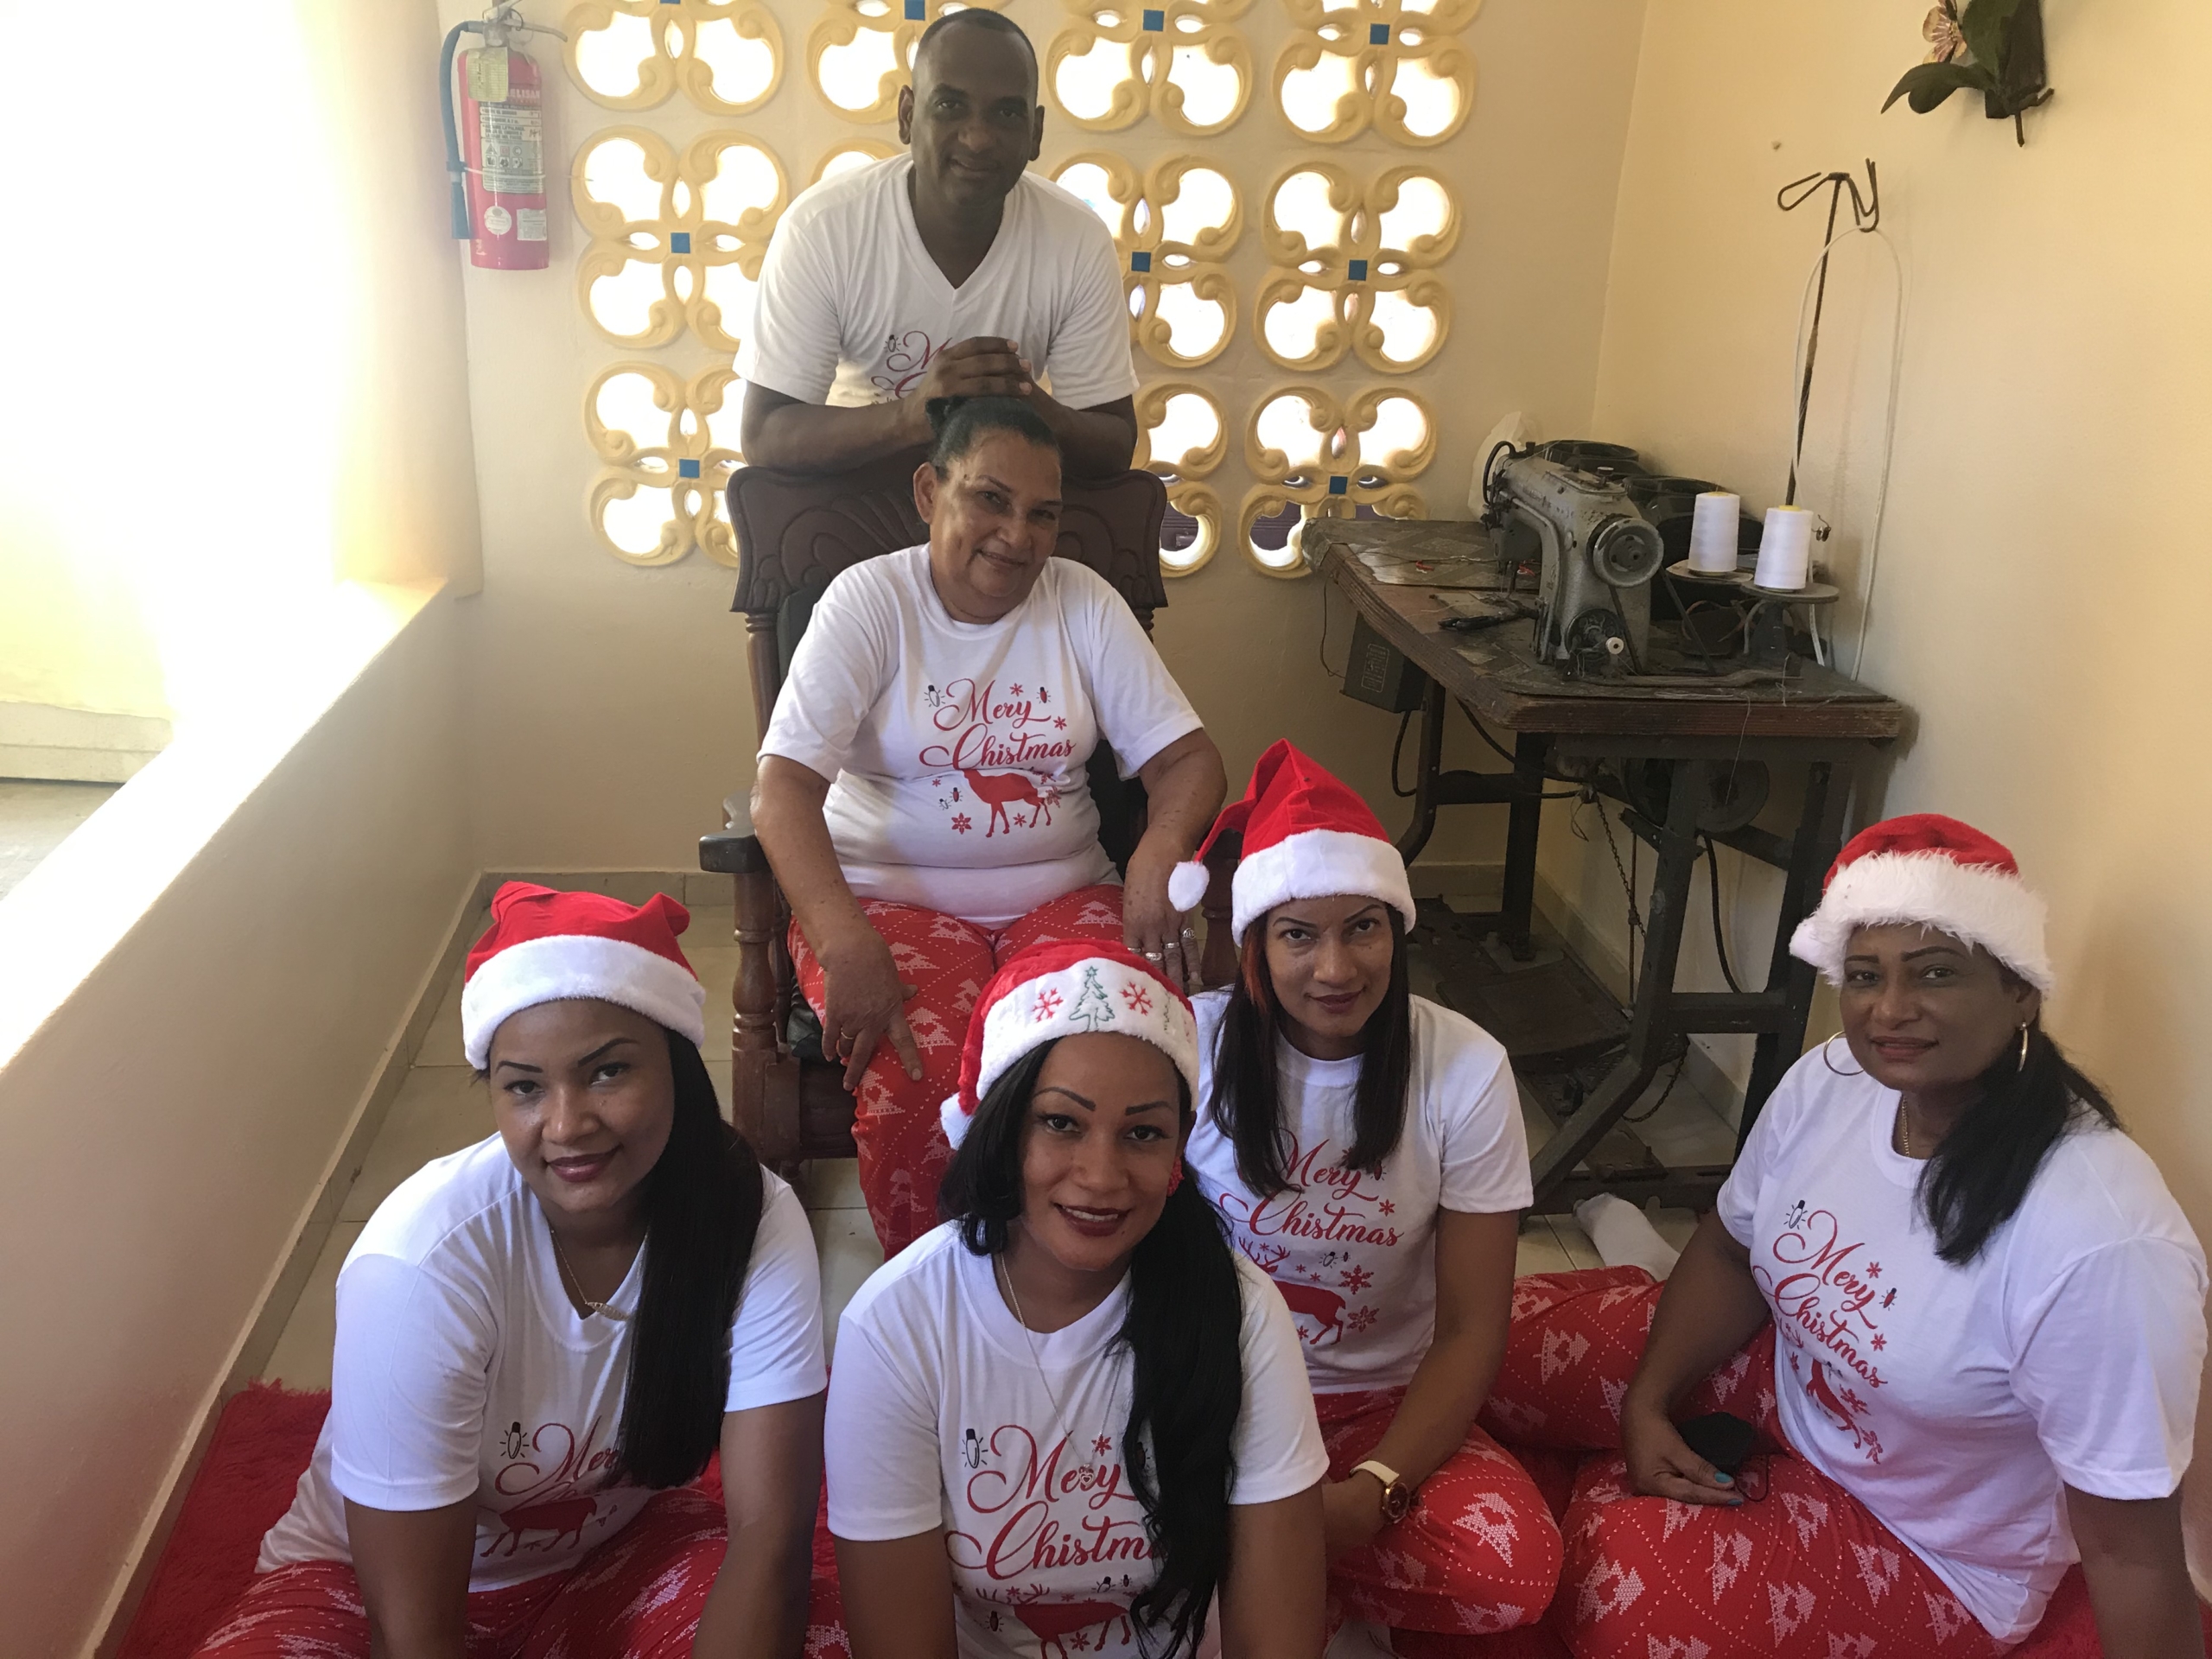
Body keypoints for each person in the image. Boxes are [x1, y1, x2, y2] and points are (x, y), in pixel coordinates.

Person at [1482, 815, 2208, 1658]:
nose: (1890, 1010)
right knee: (1487, 1350)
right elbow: (1729, 1249)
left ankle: (1618, 1490)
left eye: (1935, 973)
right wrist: (1645, 1402)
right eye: (1864, 975)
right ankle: (1643, 1466)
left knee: (1623, 1591)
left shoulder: (2103, 1244)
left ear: (2020, 990)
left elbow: (2129, 1551)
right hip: (1782, 1379)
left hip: (1930, 1546)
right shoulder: (1832, 1080)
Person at [195, 886, 828, 1659]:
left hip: (615, 1560)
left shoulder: (748, 1215)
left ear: (678, 1065)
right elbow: (414, 1633)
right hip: (360, 1592)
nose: (566, 1125)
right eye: (525, 1086)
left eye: (607, 1072)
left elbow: (769, 1542)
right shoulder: (420, 1262)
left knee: (815, 1638)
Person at [752, 396, 1226, 1255]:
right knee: (918, 1082)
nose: (1017, 535)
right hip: (885, 905)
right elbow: (781, 791)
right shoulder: (868, 603)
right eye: (990, 499)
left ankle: (1087, 1278)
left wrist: (1158, 849)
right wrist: (844, 942)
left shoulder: (1082, 602)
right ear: (929, 491)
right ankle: (943, 1295)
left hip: (1065, 894)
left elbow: (1188, 761)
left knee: (1114, 1063)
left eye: (1042, 513)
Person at [823, 941, 1330, 1658]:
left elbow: (1277, 1638)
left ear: (1178, 1154)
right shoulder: (895, 1327)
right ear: (1002, 1129)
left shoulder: (1241, 1311)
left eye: (1143, 1133)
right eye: (1062, 1123)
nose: (1100, 1176)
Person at [1173, 741, 1560, 1655]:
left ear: (1398, 929)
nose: (1336, 968)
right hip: (1220, 1400)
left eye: (1363, 928)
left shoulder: (1466, 1068)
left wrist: (1374, 1491)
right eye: (1298, 935)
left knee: (1513, 1569)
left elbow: (1470, 1327)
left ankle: (1290, 1563)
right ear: (1257, 943)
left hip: (1384, 1400)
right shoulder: (1187, 1047)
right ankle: (1284, 1569)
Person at [737, 10, 1136, 477]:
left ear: (1036, 133)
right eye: (950, 105)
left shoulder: (1077, 240)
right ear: (907, 116)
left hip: (998, 502)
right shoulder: (822, 228)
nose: (978, 138)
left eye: (1007, 113)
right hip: (853, 492)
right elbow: (764, 434)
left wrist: (1028, 407)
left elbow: (1114, 445)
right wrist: (914, 414)